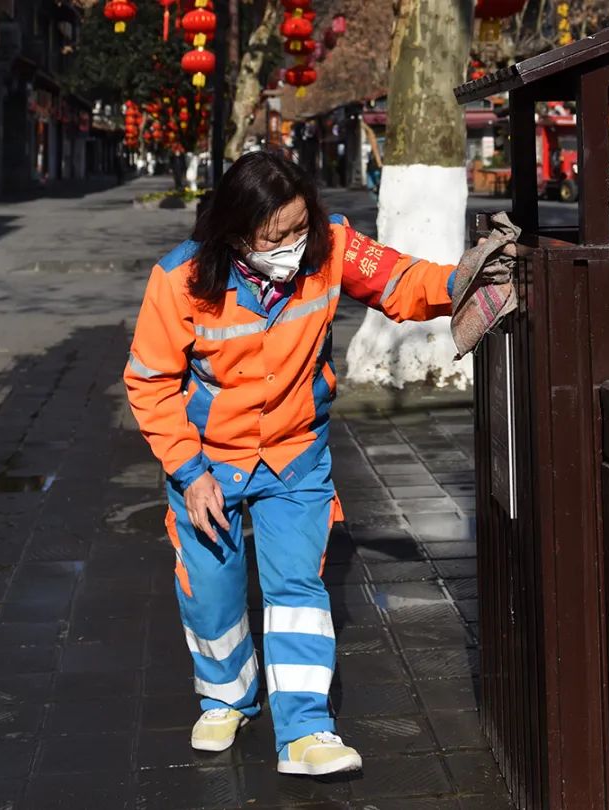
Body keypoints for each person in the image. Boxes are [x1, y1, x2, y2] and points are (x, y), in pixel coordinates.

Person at [123, 151, 475, 777]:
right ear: (234, 234)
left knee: (296, 589)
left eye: (298, 227)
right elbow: (150, 382)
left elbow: (400, 281)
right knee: (209, 592)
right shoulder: (179, 280)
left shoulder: (330, 246)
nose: (291, 246)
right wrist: (188, 471)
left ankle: (307, 729)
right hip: (208, 462)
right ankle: (226, 695)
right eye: (273, 237)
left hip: (294, 454)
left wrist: (462, 284)